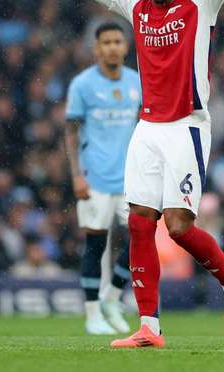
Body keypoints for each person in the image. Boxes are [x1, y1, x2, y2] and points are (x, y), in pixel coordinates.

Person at [71, 0, 224, 349]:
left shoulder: (202, 0)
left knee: (179, 227)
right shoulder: (135, 8)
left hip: (187, 127)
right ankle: (150, 325)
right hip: (147, 130)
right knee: (138, 223)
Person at [64, 22, 141, 335]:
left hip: (130, 180)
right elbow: (70, 132)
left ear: (125, 47)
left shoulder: (138, 82)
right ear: (96, 49)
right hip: (94, 178)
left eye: (117, 41)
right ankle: (93, 314)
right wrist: (76, 175)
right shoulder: (82, 85)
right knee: (95, 245)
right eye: (105, 42)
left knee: (141, 235)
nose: (111, 47)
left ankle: (113, 296)